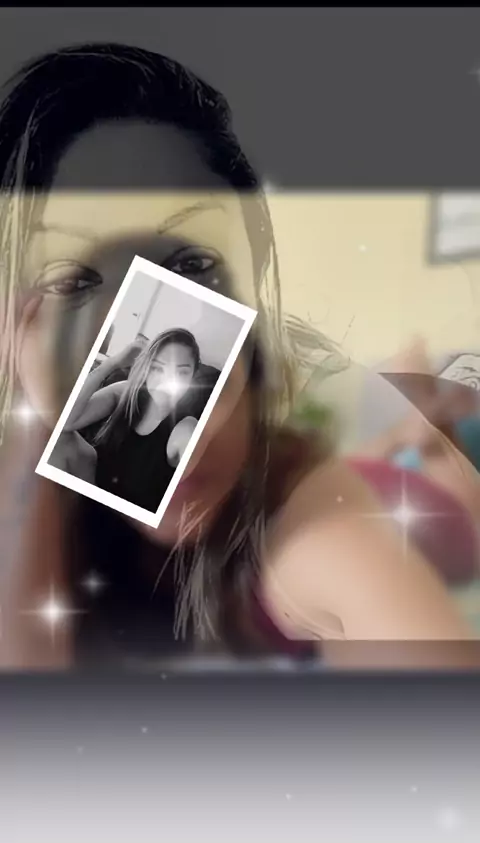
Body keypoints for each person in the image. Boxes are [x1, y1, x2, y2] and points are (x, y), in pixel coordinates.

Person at [0, 42, 477, 671]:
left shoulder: (318, 530)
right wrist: (38, 434)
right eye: (70, 280)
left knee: (436, 468)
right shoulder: (67, 432)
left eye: (191, 264)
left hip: (421, 501)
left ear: (257, 270)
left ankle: (429, 423)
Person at [50, 327, 210, 512]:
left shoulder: (186, 428)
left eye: (181, 373)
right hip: (92, 489)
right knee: (58, 440)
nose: (167, 380)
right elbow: (65, 422)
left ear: (192, 376)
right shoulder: (124, 392)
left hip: (124, 520)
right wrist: (112, 364)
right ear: (146, 369)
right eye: (157, 368)